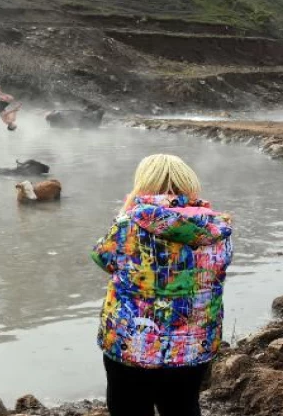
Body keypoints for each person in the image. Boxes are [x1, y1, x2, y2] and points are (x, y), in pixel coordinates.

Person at [90, 154, 234, 416]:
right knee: (183, 406)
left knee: (129, 408)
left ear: (142, 183)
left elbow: (103, 257)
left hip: (132, 345)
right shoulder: (216, 228)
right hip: (194, 344)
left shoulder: (129, 224)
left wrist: (124, 213)